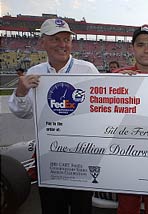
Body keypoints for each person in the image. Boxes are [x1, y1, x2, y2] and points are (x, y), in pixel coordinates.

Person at [8, 18, 99, 214]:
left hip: (81, 154)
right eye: (55, 39)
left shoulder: (88, 69)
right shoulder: (34, 72)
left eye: (66, 39)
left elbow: (100, 107)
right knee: (52, 208)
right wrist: (21, 93)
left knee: (82, 208)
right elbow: (23, 113)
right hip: (48, 156)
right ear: (42, 43)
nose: (62, 45)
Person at [114, 24, 148, 214]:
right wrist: (117, 85)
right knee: (126, 208)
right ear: (133, 48)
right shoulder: (116, 77)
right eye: (141, 44)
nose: (146, 49)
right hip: (125, 156)